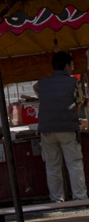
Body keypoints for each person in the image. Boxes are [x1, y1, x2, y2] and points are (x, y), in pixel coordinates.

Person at [35, 51, 88, 202]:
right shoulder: (73, 82)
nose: (72, 68)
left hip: (47, 130)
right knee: (74, 163)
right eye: (71, 65)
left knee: (52, 166)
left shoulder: (42, 83)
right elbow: (80, 101)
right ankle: (80, 198)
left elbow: (40, 94)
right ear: (67, 66)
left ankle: (57, 199)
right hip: (67, 127)